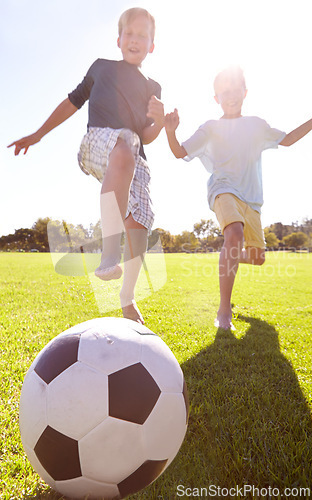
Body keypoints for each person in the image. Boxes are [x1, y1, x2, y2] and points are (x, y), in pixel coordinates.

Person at [8, 7, 165, 325]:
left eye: (142, 35)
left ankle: (127, 296)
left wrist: (160, 122)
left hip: (136, 157)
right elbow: (72, 101)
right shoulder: (102, 67)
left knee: (138, 227)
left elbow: (146, 135)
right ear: (118, 39)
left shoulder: (153, 87)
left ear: (152, 45)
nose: (135, 39)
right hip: (99, 142)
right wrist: (38, 134)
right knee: (122, 149)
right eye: (129, 33)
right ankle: (108, 254)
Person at [165, 65, 312, 330]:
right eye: (224, 91)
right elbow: (179, 152)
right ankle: (224, 312)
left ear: (245, 93)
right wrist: (170, 131)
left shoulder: (256, 125)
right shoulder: (210, 128)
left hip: (252, 201)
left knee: (257, 257)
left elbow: (288, 139)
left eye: (236, 90)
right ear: (216, 98)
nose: (231, 95)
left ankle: (227, 254)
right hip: (223, 188)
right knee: (234, 233)